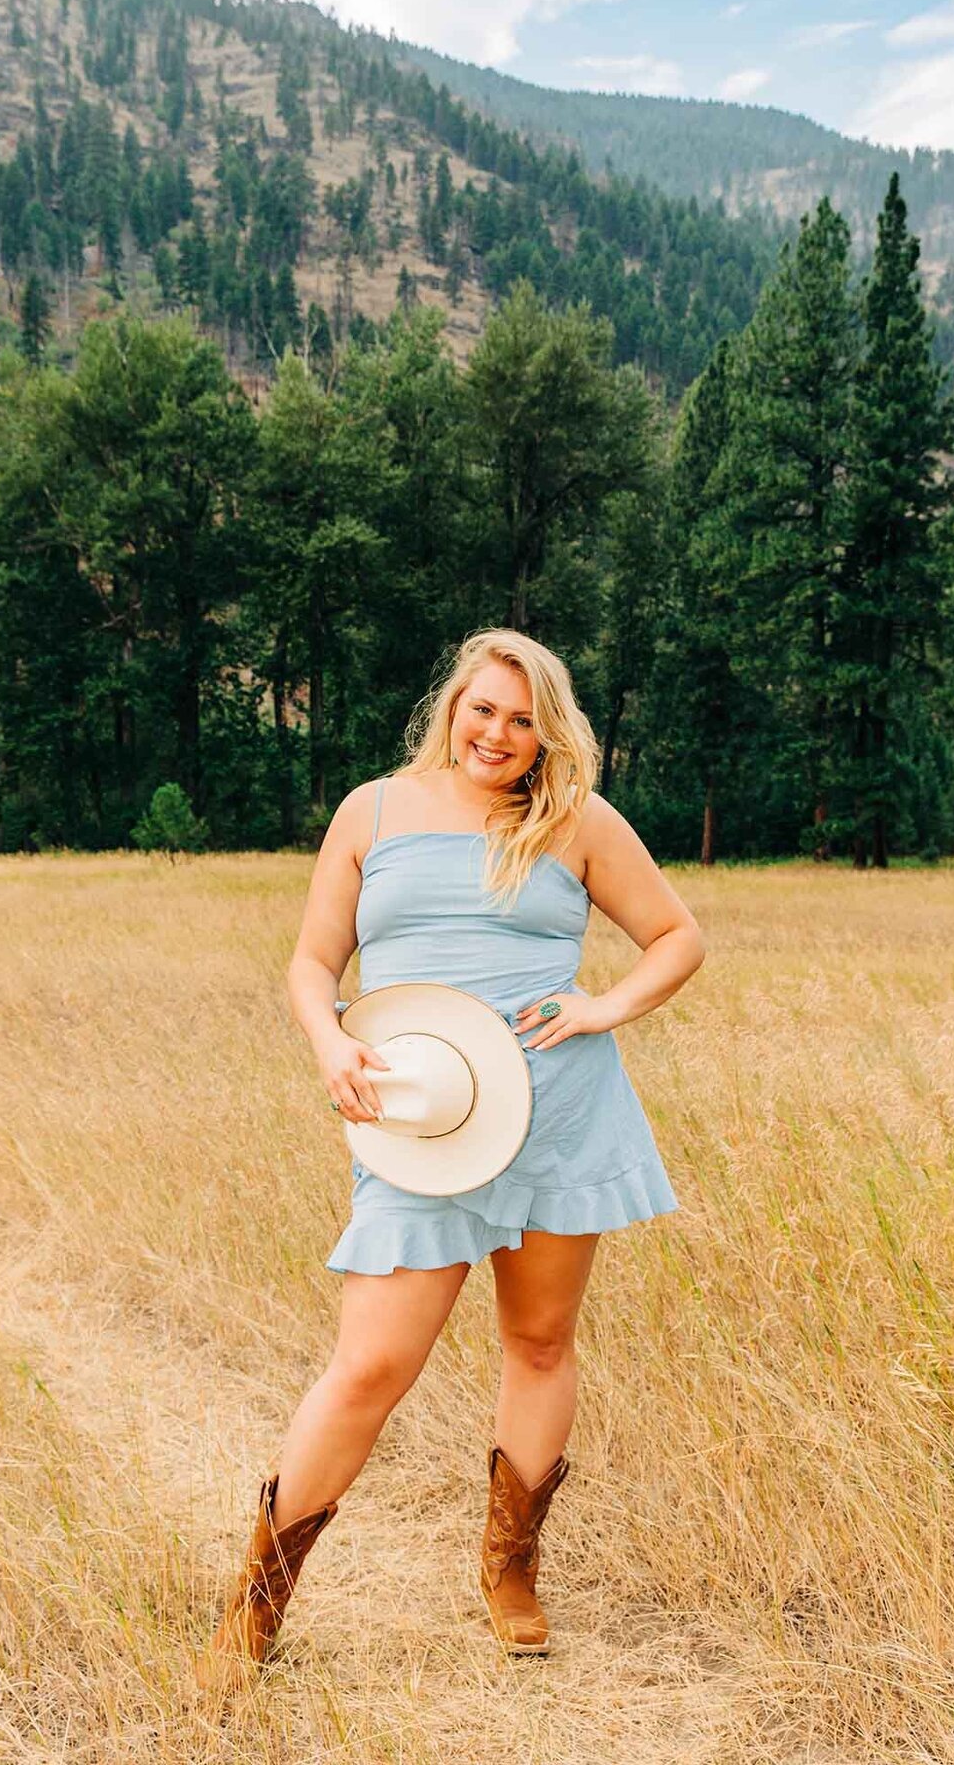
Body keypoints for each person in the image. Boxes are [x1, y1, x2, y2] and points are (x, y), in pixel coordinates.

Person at [195, 628, 705, 1694]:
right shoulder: (371, 810)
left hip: (560, 1110)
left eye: (525, 720)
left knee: (538, 1340)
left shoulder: (577, 821)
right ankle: (257, 1604)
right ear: (452, 705)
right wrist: (331, 1039)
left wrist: (601, 1006)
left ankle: (510, 1570)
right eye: (485, 709)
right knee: (371, 1365)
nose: (500, 735)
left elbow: (676, 937)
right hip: (418, 1119)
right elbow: (311, 959)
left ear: (548, 734)